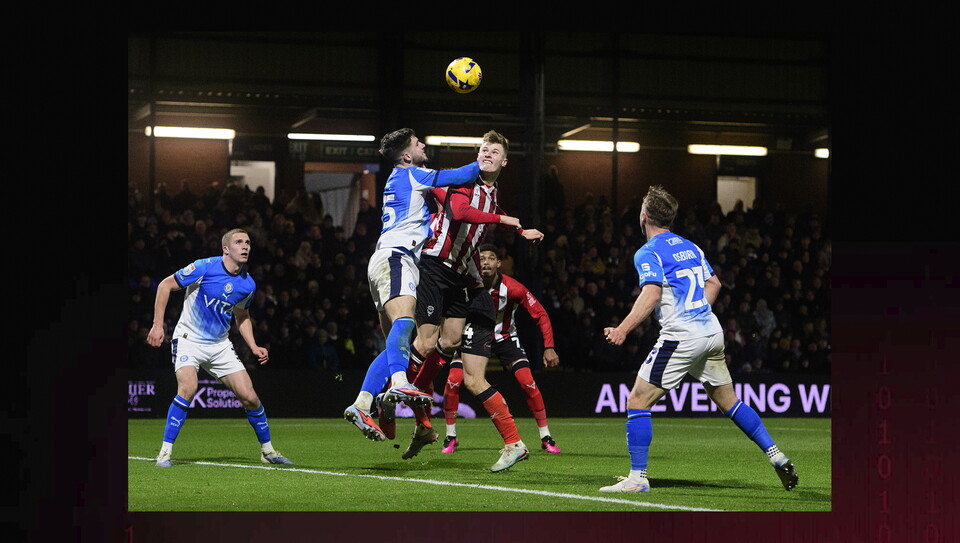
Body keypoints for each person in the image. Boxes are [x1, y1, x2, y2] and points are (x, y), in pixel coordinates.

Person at [599, 185, 798, 493]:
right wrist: (698, 312)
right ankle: (776, 455)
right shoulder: (690, 247)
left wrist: (622, 329)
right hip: (711, 332)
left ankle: (637, 478)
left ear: (644, 216)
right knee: (729, 402)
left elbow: (651, 294)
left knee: (637, 400)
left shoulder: (648, 252)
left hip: (682, 337)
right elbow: (714, 283)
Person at [342, 127, 513, 442]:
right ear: (407, 155)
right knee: (407, 325)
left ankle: (363, 403)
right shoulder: (414, 173)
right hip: (400, 258)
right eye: (417, 143)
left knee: (397, 344)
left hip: (384, 260)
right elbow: (460, 179)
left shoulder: (401, 177)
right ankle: (398, 385)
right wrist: (487, 161)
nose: (423, 145)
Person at [390, 130, 544, 471]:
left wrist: (520, 230)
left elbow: (489, 208)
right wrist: (505, 222)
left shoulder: (490, 192)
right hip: (438, 270)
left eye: (494, 151)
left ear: (504, 161)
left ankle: (403, 403)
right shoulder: (463, 181)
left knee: (457, 359)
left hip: (463, 283)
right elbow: (460, 211)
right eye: (483, 149)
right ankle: (403, 402)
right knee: (436, 345)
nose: (487, 154)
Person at [146, 228, 293, 467]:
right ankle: (164, 453)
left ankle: (268, 452)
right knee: (188, 388)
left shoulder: (247, 284)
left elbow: (242, 316)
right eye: (239, 242)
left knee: (250, 397)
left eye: (248, 242)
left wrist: (253, 345)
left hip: (219, 345)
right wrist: (157, 325)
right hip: (188, 339)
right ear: (226, 249)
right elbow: (165, 285)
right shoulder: (204, 267)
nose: (245, 246)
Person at [440, 244, 561, 455]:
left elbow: (541, 314)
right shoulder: (466, 285)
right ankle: (450, 436)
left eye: (491, 258)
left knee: (528, 382)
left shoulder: (513, 288)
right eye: (482, 258)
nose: (486, 262)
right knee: (452, 381)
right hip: (473, 336)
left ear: (498, 264)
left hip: (504, 338)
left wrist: (549, 347)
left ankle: (545, 437)